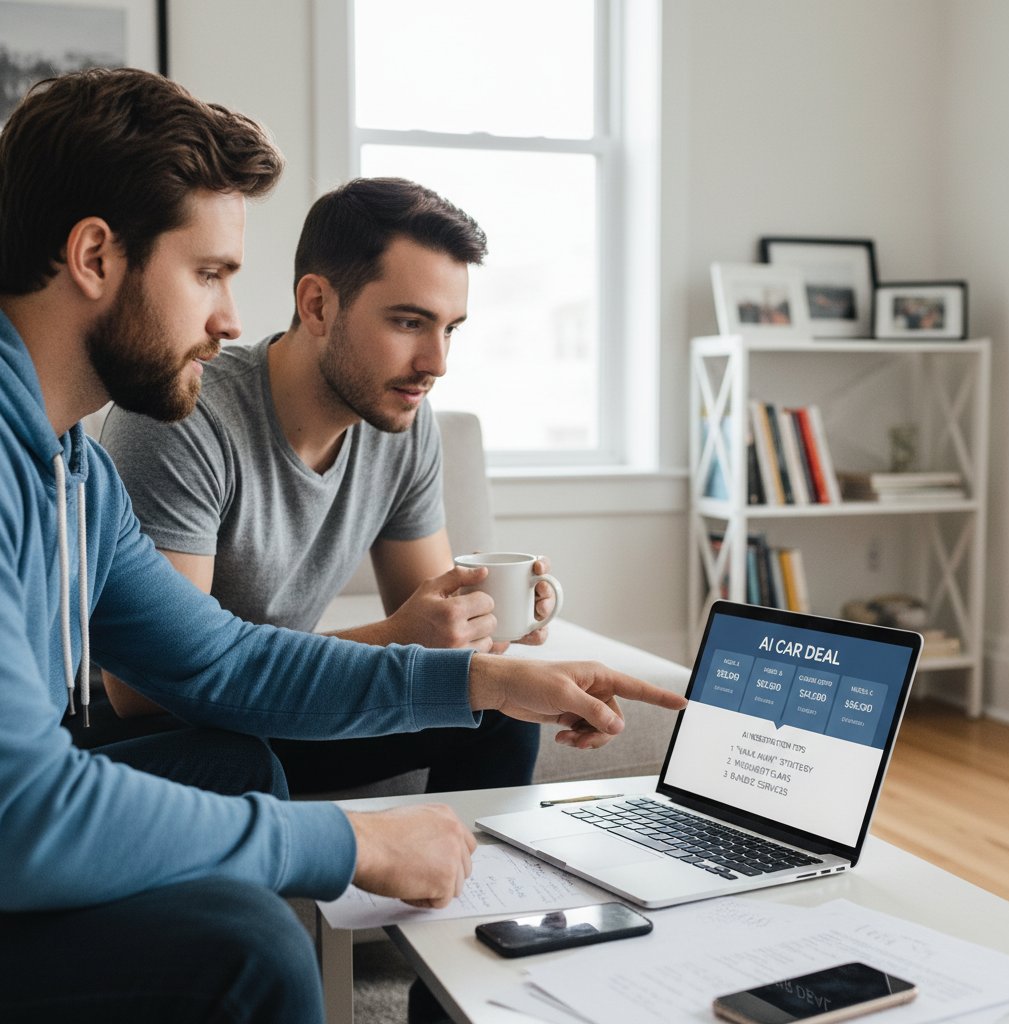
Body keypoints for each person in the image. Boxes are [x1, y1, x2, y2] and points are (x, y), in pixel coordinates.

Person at [0, 68, 685, 1024]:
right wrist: (345, 843)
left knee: (240, 772)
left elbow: (221, 658)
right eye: (208, 274)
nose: (231, 319)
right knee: (252, 953)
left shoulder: (70, 466)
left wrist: (481, 682)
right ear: (94, 256)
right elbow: (25, 811)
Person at [97, 178, 547, 796]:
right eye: (410, 322)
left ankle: (489, 890)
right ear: (317, 306)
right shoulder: (185, 415)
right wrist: (397, 640)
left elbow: (434, 633)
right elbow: (149, 688)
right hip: (153, 726)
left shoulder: (404, 424)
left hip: (282, 709)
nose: (436, 362)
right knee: (228, 759)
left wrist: (496, 615)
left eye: (450, 329)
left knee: (498, 709)